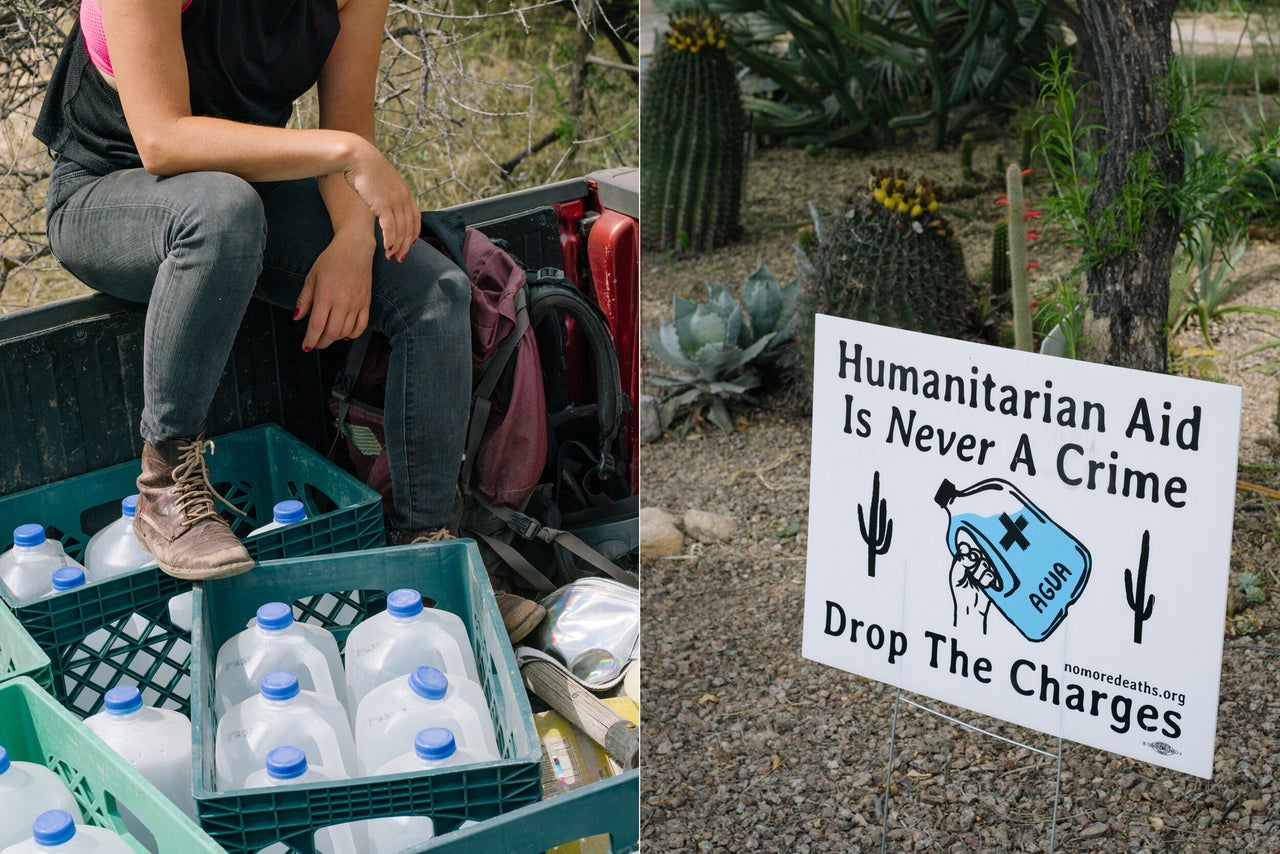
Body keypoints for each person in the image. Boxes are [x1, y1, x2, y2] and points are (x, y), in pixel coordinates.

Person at [34, 0, 545, 642]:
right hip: (109, 191)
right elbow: (162, 141)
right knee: (222, 210)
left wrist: (355, 238)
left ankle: (428, 562)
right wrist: (348, 153)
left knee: (436, 291)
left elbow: (349, 128)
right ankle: (165, 484)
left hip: (245, 187)